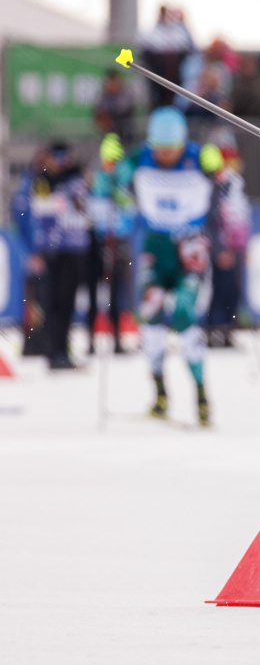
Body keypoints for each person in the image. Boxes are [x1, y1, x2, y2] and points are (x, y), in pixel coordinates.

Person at [118, 107, 223, 426]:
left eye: (171, 150)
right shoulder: (139, 158)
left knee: (183, 315)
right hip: (156, 245)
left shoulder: (198, 158)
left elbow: (231, 187)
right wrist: (110, 169)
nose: (164, 156)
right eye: (159, 150)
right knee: (149, 314)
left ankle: (202, 395)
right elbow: (113, 191)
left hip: (191, 247)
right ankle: (160, 393)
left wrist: (220, 169)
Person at [10, 142, 91, 369]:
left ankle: (61, 350)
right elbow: (28, 214)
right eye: (55, 158)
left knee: (66, 304)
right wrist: (31, 251)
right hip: (51, 251)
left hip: (73, 249)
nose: (59, 162)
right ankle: (51, 351)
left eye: (63, 157)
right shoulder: (39, 180)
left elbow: (84, 208)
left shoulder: (76, 179)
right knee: (50, 304)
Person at [87, 133, 137, 355]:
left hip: (118, 240)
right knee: (92, 291)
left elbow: (131, 208)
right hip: (97, 241)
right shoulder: (97, 175)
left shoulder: (126, 175)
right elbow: (91, 208)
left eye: (112, 161)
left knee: (117, 290)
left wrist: (118, 194)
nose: (109, 165)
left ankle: (117, 338)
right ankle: (91, 340)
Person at [205, 149, 252, 348]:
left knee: (233, 290)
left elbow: (242, 220)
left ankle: (227, 330)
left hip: (236, 248)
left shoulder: (237, 187)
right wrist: (219, 249)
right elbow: (212, 221)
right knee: (221, 289)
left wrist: (243, 248)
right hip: (223, 249)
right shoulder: (217, 187)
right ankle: (213, 329)